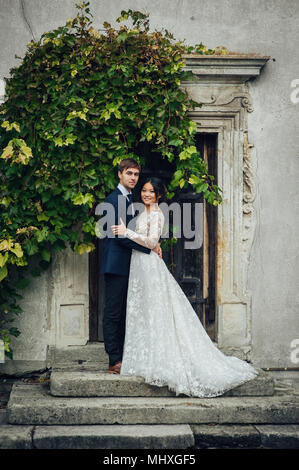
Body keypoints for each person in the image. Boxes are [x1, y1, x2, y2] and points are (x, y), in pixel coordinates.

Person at [111, 176, 259, 398]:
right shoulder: (143, 211)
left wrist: (127, 232)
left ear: (159, 194)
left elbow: (151, 242)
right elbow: (150, 240)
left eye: (151, 191)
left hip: (149, 266)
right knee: (142, 311)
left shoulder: (158, 214)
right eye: (144, 190)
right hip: (139, 266)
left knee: (156, 311)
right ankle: (143, 358)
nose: (146, 194)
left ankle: (161, 360)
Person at [100, 158, 162, 374]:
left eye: (136, 174)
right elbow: (118, 236)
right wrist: (150, 249)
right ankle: (114, 360)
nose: (133, 178)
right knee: (113, 313)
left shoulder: (130, 199)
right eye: (129, 174)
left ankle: (127, 356)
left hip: (131, 264)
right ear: (120, 174)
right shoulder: (112, 200)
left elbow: (133, 231)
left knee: (128, 312)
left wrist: (153, 243)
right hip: (116, 264)